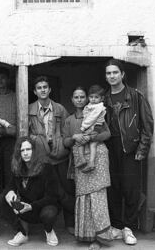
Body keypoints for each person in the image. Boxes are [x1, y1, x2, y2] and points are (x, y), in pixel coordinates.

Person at [104, 59, 154, 245]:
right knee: (113, 189)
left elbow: (147, 125)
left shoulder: (135, 96)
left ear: (122, 74)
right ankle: (117, 227)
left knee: (131, 190)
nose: (111, 76)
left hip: (130, 149)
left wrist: (142, 150)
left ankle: (129, 227)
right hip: (110, 148)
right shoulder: (105, 99)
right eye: (108, 73)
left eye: (115, 72)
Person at [63, 87, 113, 250]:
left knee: (97, 195)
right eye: (76, 97)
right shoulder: (70, 120)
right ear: (72, 99)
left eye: (82, 97)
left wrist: (92, 137)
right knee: (84, 196)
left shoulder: (96, 113)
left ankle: (100, 237)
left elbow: (107, 134)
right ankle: (87, 235)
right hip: (80, 160)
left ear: (87, 99)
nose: (79, 99)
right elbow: (64, 142)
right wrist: (74, 138)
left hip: (97, 156)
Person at [28, 75, 74, 234]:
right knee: (43, 191)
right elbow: (26, 134)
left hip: (59, 155)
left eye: (45, 87)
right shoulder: (29, 110)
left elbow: (68, 131)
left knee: (66, 189)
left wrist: (59, 141)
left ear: (50, 89)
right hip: (40, 157)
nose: (42, 90)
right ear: (35, 91)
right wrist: (38, 139)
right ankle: (43, 225)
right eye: (39, 88)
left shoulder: (60, 109)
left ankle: (70, 224)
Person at [1, 137, 59, 247]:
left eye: (28, 149)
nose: (25, 153)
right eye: (22, 150)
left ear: (34, 150)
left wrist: (31, 206)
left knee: (49, 213)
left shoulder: (46, 168)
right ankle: (22, 233)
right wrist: (9, 193)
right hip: (25, 209)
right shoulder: (18, 168)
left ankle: (49, 230)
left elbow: (52, 197)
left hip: (43, 207)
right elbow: (10, 186)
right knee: (1, 199)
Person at [75, 85, 107, 173]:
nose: (93, 99)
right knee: (92, 144)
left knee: (80, 142)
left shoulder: (99, 107)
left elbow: (91, 118)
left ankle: (85, 160)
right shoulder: (91, 106)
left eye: (96, 97)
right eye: (91, 97)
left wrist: (83, 127)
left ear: (102, 98)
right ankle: (88, 162)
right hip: (93, 127)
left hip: (95, 127)